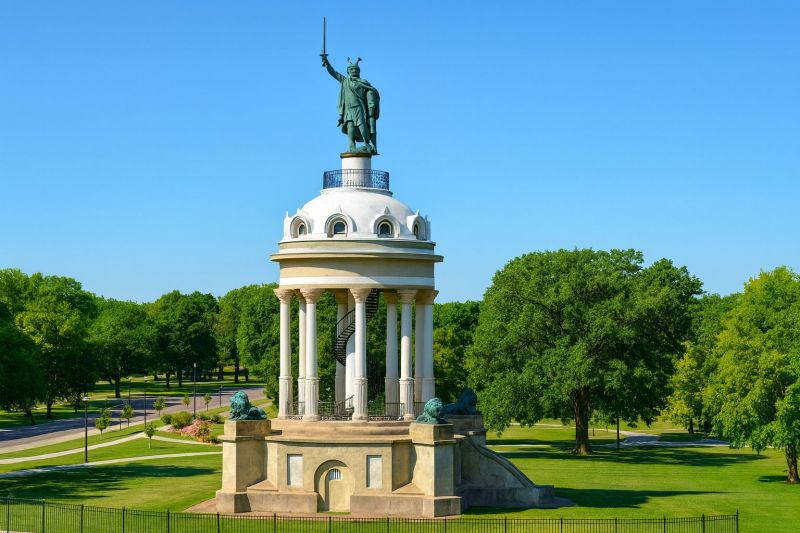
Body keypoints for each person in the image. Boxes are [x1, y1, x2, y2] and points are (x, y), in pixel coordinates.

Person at [321, 55, 380, 154]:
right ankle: (352, 147)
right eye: (351, 69)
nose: (354, 71)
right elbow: (333, 72)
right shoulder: (345, 80)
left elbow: (372, 92)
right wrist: (326, 62)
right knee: (350, 126)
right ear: (348, 71)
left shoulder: (363, 82)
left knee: (362, 125)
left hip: (359, 107)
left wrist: (371, 104)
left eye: (356, 69)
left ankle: (367, 144)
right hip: (348, 108)